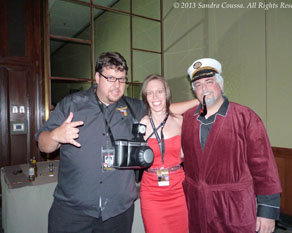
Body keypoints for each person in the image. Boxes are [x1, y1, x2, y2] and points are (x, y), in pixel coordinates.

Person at [36, 51, 197, 233]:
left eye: (122, 79)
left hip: (117, 213)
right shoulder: (72, 104)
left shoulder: (133, 107)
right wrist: (56, 135)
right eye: (111, 78)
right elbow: (43, 143)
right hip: (74, 211)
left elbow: (164, 109)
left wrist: (199, 100)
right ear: (97, 77)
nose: (117, 85)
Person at [181, 58, 282, 233]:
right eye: (198, 84)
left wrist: (267, 212)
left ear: (220, 84)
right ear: (194, 91)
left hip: (234, 209)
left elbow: (265, 168)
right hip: (198, 209)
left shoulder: (245, 117)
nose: (204, 88)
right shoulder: (188, 119)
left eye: (209, 82)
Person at [139, 74, 189, 233]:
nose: (155, 97)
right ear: (145, 97)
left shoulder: (180, 121)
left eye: (159, 91)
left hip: (179, 190)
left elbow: (187, 155)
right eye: (150, 93)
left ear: (166, 94)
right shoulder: (142, 124)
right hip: (152, 192)